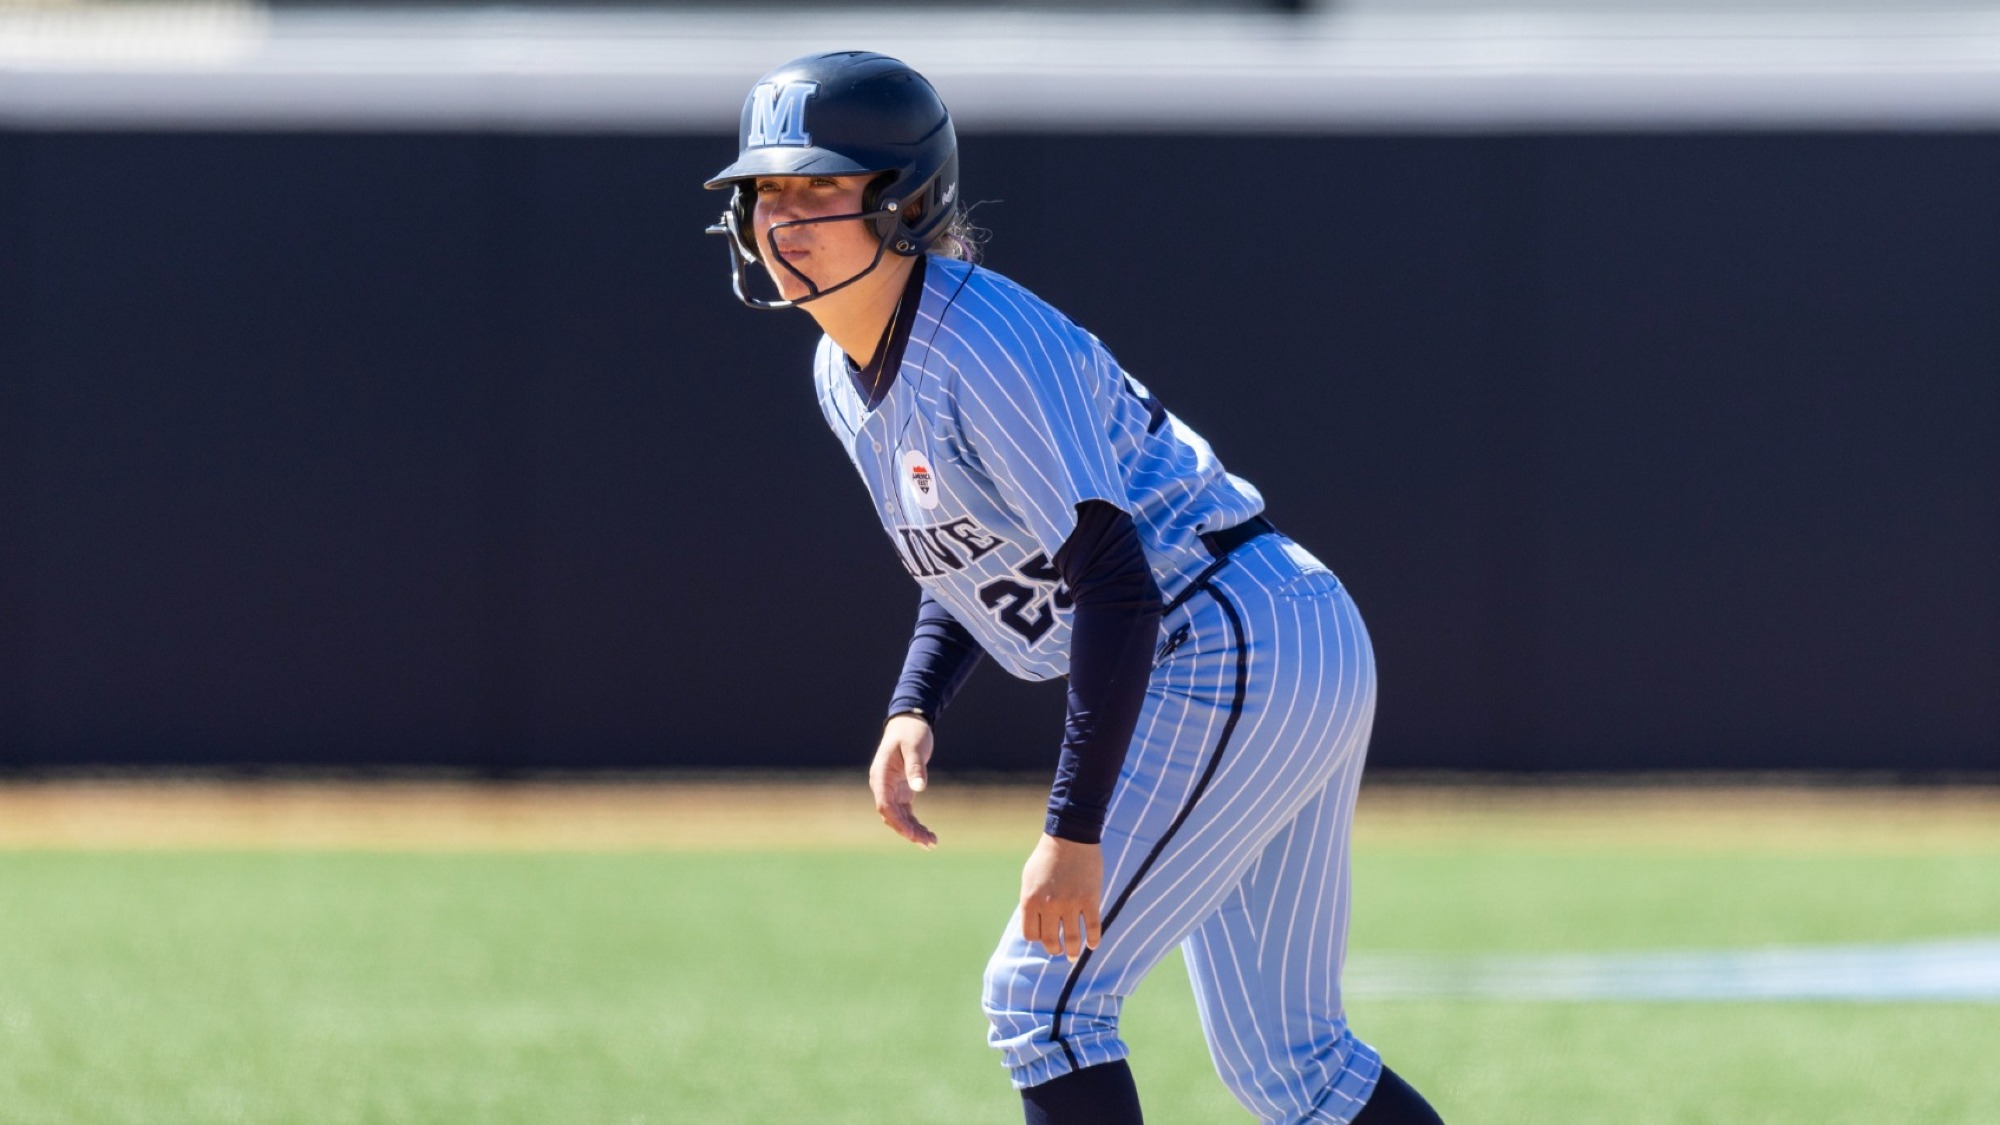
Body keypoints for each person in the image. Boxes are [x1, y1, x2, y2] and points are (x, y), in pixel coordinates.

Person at [705, 50, 1446, 1125]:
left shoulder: (980, 339)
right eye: (765, 191)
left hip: (1226, 635)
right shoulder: (841, 364)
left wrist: (1071, 830)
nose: (783, 219)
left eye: (820, 189)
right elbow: (969, 545)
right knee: (1294, 1064)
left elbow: (1111, 582)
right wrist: (917, 698)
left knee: (1041, 1004)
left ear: (904, 202)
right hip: (1273, 634)